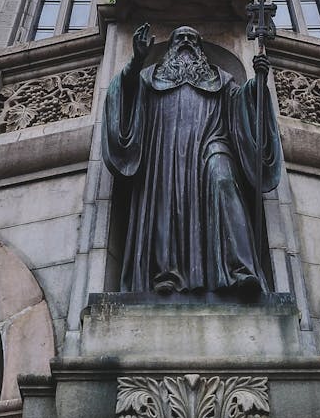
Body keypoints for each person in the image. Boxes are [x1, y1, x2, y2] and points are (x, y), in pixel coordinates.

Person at [102, 25, 281, 295]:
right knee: (166, 202)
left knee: (223, 181)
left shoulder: (220, 79)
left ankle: (239, 272)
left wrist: (257, 82)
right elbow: (124, 93)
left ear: (199, 48)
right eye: (180, 37)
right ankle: (166, 274)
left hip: (213, 145)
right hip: (164, 151)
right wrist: (137, 60)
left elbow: (243, 106)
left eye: (191, 38)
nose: (185, 41)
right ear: (171, 46)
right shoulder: (150, 77)